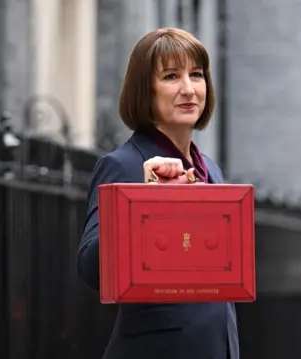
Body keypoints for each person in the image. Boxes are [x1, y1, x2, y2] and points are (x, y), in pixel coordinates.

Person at [77, 28, 238, 359]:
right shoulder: (123, 164)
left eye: (196, 75)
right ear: (144, 91)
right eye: (170, 76)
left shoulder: (211, 168)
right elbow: (91, 268)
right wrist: (148, 200)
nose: (188, 89)